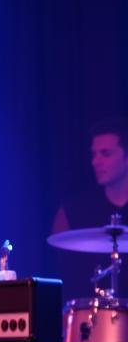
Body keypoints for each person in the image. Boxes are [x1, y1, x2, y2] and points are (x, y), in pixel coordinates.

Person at [51, 118, 128, 298]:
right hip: (90, 317)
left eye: (105, 153)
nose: (95, 162)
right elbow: (56, 275)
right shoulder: (72, 210)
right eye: (94, 154)